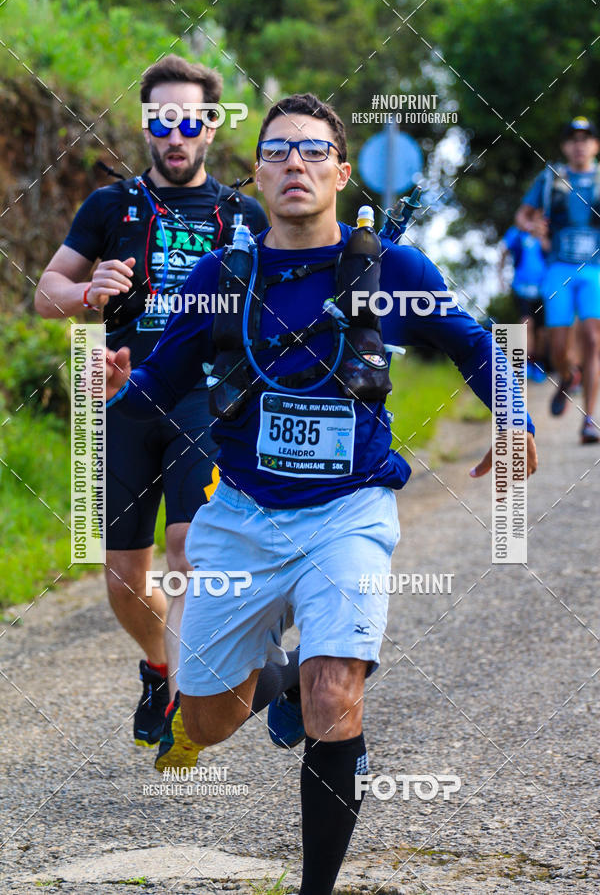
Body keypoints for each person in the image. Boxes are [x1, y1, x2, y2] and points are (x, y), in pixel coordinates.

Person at [103, 93, 538, 895]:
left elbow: (471, 342)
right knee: (206, 720)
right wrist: (115, 387)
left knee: (335, 700)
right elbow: (155, 384)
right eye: (276, 152)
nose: (294, 164)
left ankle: (314, 888)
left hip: (350, 514)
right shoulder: (219, 277)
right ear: (256, 176)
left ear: (340, 172)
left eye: (312, 152)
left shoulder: (388, 270)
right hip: (239, 518)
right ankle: (276, 674)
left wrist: (512, 418)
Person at [34, 55, 269, 747]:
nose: (175, 133)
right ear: (147, 123)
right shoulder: (110, 207)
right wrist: (87, 292)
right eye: (162, 118)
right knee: (122, 580)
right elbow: (47, 292)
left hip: (203, 397)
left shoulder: (242, 215)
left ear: (210, 126)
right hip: (123, 400)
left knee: (188, 552)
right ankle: (159, 663)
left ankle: (182, 717)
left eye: (189, 119)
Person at [515, 116, 600, 443]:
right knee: (559, 346)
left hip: (594, 270)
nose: (580, 145)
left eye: (586, 138)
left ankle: (590, 419)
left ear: (595, 145)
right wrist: (531, 227)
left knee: (594, 339)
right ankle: (567, 374)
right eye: (573, 139)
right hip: (559, 269)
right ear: (566, 146)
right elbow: (523, 214)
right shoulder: (551, 178)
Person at [499, 225, 547, 381]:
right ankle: (524, 364)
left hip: (542, 290)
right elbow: (503, 251)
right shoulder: (516, 234)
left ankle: (537, 363)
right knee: (527, 324)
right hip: (521, 288)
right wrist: (500, 276)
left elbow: (552, 252)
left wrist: (542, 236)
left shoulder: (545, 233)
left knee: (541, 332)